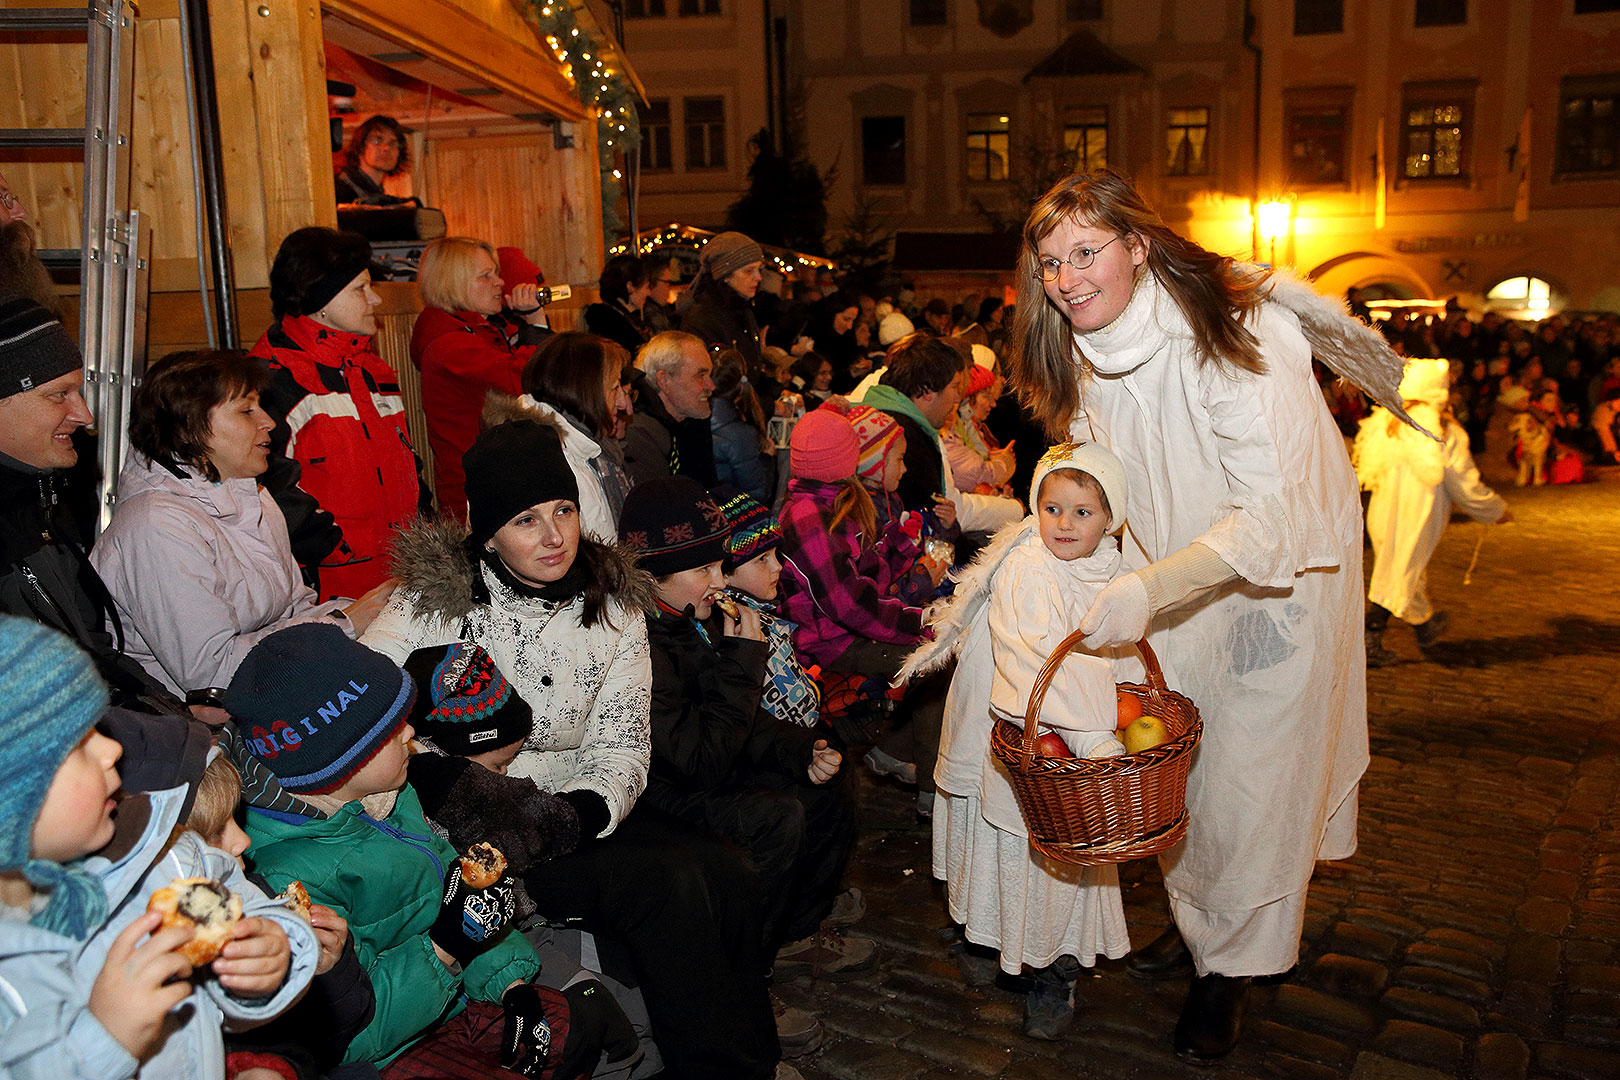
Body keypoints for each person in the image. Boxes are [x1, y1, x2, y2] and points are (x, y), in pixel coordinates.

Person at [1006, 168, 1400, 1062]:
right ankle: (1203, 930)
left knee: (1251, 779)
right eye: (1050, 262)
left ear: (1138, 247)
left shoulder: (1235, 331)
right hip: (1168, 579)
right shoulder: (1084, 344)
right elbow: (1107, 461)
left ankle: (1230, 973)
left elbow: (1269, 513)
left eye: (1085, 253)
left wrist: (1149, 588)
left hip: (1272, 588)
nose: (1065, 280)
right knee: (1176, 762)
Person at [363, 420, 788, 1079]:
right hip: (483, 827)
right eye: (526, 520)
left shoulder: (613, 602)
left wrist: (582, 813)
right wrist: (450, 784)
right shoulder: (439, 604)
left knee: (724, 868)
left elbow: (622, 738)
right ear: (489, 528)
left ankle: (747, 1053)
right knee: (669, 884)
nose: (554, 535)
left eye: (563, 510)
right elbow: (368, 714)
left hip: (587, 806)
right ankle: (713, 1065)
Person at [227, 624, 626, 1077]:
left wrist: (509, 981)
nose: (411, 732)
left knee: (575, 1027)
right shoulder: (288, 880)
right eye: (388, 729)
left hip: (453, 992)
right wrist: (444, 948)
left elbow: (454, 903)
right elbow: (352, 1032)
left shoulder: (391, 798)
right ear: (336, 760)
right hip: (388, 1048)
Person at [0, 616, 317, 1080]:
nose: (111, 751)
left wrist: (274, 952)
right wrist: (101, 1044)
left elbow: (259, 914)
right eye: (77, 744)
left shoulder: (160, 853)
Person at [900, 443, 1134, 1039]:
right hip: (1013, 730)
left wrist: (1127, 707)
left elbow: (1122, 648)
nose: (1064, 524)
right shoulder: (1028, 567)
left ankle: (1058, 967)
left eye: (1083, 512)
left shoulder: (1114, 569)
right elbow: (1033, 659)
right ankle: (993, 938)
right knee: (1012, 844)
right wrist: (1093, 737)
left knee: (1062, 853)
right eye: (1052, 508)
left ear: (1112, 517)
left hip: (1070, 737)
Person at [621, 477, 870, 981]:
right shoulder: (638, 642)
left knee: (828, 782)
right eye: (705, 568)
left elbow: (746, 724)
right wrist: (743, 660)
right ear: (653, 577)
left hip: (707, 758)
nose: (721, 579)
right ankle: (740, 976)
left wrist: (802, 748)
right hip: (662, 789)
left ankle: (794, 932)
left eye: (721, 564)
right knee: (773, 818)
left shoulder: (694, 615)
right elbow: (698, 761)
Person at [89, 350, 391, 701]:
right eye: (247, 411)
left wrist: (381, 610)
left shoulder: (255, 497)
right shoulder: (155, 526)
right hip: (192, 728)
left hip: (264, 697)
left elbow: (295, 612)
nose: (269, 422)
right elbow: (210, 676)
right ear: (189, 427)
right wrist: (345, 623)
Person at [250, 226, 430, 601]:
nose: (376, 300)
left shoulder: (373, 372)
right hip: (329, 592)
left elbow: (407, 467)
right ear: (321, 301)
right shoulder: (269, 382)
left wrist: (430, 535)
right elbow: (263, 486)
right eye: (359, 289)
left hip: (403, 575)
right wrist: (330, 548)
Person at [1355, 358, 1510, 666]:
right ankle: (1371, 638)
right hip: (1419, 510)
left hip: (1385, 509)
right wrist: (1493, 509)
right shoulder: (1441, 426)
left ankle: (1424, 625)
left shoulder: (1391, 418)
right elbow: (1461, 479)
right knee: (1399, 569)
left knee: (1399, 564)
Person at [411, 236, 551, 521]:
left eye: (496, 273)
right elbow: (529, 383)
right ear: (453, 283)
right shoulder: (450, 345)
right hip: (479, 493)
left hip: (495, 480)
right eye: (486, 276)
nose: (500, 282)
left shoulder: (477, 331)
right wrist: (536, 325)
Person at [858, 333, 1022, 537]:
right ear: (928, 390)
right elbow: (936, 518)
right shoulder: (903, 436)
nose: (956, 397)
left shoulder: (890, 418)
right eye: (954, 386)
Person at [487, 331, 634, 543]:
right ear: (584, 391)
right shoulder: (555, 459)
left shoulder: (581, 447)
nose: (622, 403)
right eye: (614, 388)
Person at [714, 487, 820, 730]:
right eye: (762, 559)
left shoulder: (758, 613)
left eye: (775, 555)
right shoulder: (748, 628)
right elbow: (800, 714)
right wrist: (815, 689)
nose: (777, 567)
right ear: (724, 573)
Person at [622, 331, 717, 487]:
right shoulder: (639, 434)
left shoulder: (689, 420)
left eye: (710, 375)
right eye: (700, 375)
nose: (711, 386)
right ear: (664, 380)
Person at [681, 231, 765, 365]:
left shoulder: (742, 309)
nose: (758, 277)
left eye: (759, 269)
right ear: (725, 276)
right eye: (749, 271)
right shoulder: (703, 319)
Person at [942, 359, 1017, 497]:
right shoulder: (953, 427)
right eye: (986, 396)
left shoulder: (972, 426)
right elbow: (978, 473)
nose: (993, 403)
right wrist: (1003, 463)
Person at [709, 350, 775, 503]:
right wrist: (767, 459)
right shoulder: (741, 435)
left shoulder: (687, 419)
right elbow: (758, 494)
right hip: (732, 518)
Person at [333, 115, 418, 206]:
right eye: (377, 141)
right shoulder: (336, 190)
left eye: (392, 143)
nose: (386, 148)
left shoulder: (377, 194)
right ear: (361, 146)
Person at [584, 254, 651, 355]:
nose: (649, 293)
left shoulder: (627, 320)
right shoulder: (610, 327)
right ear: (630, 287)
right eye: (646, 287)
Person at [639, 250, 683, 335]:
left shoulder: (663, 310)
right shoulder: (649, 314)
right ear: (651, 283)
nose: (669, 288)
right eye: (666, 282)